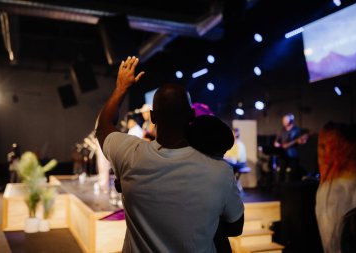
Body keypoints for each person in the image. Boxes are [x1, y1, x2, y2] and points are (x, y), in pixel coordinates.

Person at [95, 56, 244, 253]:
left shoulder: (129, 155)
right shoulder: (220, 171)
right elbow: (235, 227)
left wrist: (121, 87)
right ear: (192, 115)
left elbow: (103, 125)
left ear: (153, 117)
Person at [186, 115, 239, 253]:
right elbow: (236, 227)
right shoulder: (221, 170)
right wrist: (211, 224)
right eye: (220, 154)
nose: (222, 158)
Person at [273, 113, 308, 182]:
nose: (283, 122)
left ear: (290, 121)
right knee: (281, 172)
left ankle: (292, 188)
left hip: (293, 155)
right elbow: (277, 141)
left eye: (285, 120)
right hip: (283, 154)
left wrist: (301, 141)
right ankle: (280, 187)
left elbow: (302, 141)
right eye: (283, 120)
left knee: (293, 173)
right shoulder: (282, 130)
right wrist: (277, 144)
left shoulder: (296, 130)